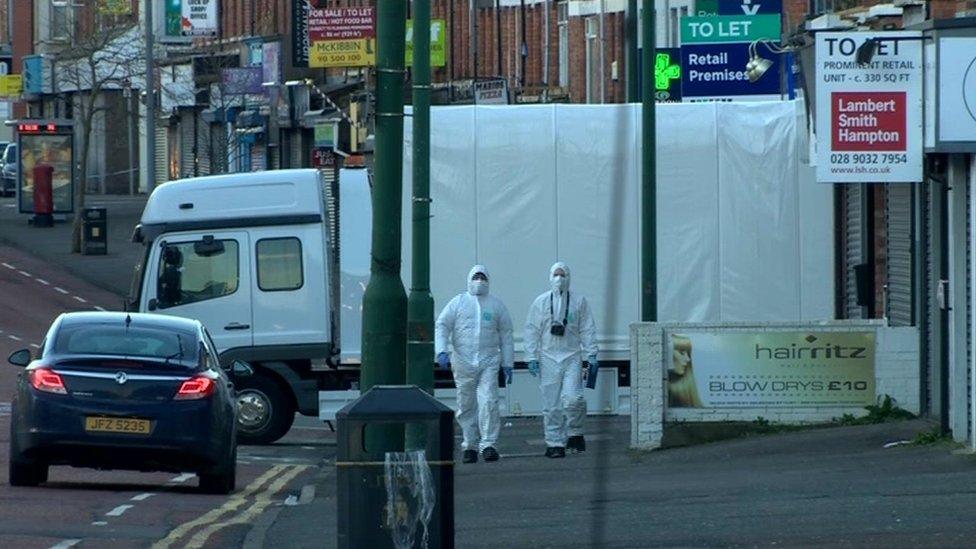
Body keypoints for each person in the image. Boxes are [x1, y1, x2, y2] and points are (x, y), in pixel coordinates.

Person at [435, 265, 514, 464]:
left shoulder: (496, 305)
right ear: (469, 279)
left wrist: (508, 362)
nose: (479, 280)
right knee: (466, 403)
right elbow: (442, 325)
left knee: (489, 401)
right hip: (462, 360)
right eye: (476, 277)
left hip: (488, 360)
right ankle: (469, 445)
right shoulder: (458, 302)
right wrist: (441, 350)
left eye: (482, 277)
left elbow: (506, 335)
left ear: (488, 280)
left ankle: (488, 444)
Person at [524, 262, 598, 458]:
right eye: (556, 274)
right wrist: (531, 356)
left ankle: (575, 432)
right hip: (548, 357)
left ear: (569, 277)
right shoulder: (540, 302)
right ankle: (554, 442)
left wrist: (592, 353)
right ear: (550, 277)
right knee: (551, 404)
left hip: (572, 355)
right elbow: (532, 330)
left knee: (574, 399)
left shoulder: (579, 301)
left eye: (563, 274)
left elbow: (587, 328)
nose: (559, 278)